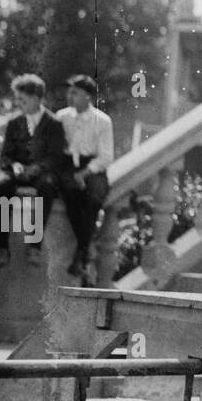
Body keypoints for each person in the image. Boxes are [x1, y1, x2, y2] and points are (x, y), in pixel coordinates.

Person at [0, 74, 68, 267]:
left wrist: (37, 168)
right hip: (17, 171)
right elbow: (6, 155)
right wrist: (15, 166)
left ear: (36, 98)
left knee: (48, 187)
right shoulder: (14, 122)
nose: (18, 103)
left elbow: (55, 157)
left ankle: (35, 246)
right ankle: (3, 247)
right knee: (1, 185)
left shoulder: (54, 123)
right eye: (17, 98)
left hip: (41, 173)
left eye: (22, 99)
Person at [55, 74, 115, 281]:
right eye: (69, 92)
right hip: (68, 165)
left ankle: (81, 253)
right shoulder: (62, 116)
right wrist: (71, 173)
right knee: (70, 194)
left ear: (88, 96)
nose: (70, 97)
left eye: (75, 93)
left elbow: (106, 156)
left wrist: (86, 172)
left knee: (94, 198)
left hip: (93, 166)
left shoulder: (103, 120)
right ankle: (85, 250)